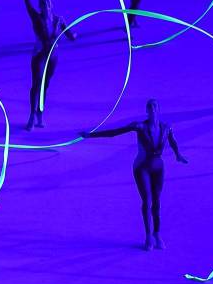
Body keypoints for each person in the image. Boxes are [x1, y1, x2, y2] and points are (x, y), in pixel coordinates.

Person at [80, 99, 188, 251]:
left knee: (157, 201)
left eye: (154, 106)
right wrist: (91, 135)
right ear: (147, 111)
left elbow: (173, 141)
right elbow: (114, 133)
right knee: (147, 200)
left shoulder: (166, 127)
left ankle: (157, 234)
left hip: (158, 167)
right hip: (141, 167)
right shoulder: (140, 126)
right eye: (149, 107)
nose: (152, 109)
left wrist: (178, 154)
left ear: (158, 110)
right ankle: (148, 236)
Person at [8, 0, 77, 130]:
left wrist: (74, 35)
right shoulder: (36, 17)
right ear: (40, 6)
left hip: (52, 57)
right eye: (42, 3)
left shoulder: (59, 20)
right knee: (36, 85)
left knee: (45, 86)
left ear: (51, 5)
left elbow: (69, 35)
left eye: (47, 2)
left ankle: (40, 114)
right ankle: (32, 115)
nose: (45, 5)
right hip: (39, 56)